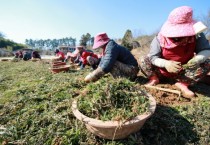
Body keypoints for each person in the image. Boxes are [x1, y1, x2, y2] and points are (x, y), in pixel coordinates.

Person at [139, 6, 210, 98]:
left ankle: (183, 83)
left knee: (207, 63)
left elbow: (205, 50)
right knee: (143, 59)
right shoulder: (159, 38)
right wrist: (165, 64)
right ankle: (154, 79)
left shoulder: (197, 36)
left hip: (184, 72)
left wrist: (197, 59)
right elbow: (153, 57)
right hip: (161, 71)